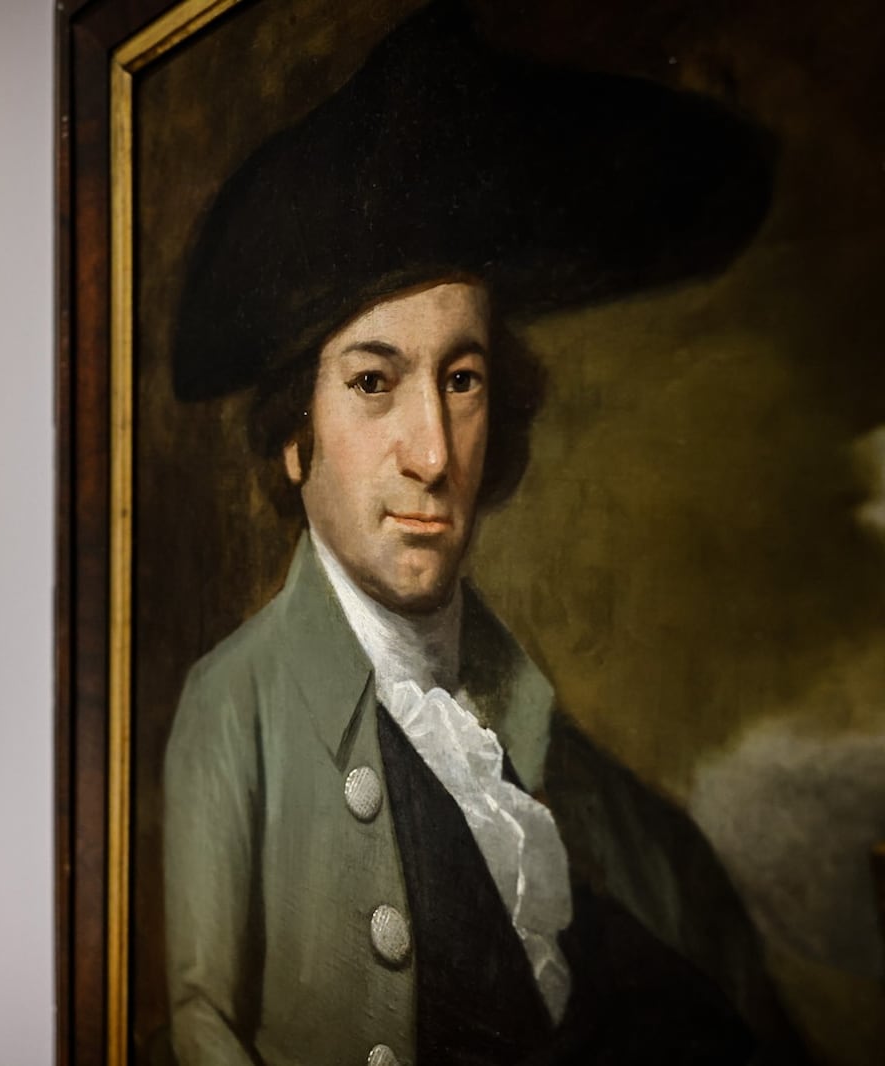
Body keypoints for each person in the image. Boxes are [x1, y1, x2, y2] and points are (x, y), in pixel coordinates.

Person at [161, 3, 802, 1064]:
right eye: (373, 382)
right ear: (292, 435)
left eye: (461, 379)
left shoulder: (552, 750)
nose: (431, 451)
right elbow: (197, 1021)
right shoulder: (234, 705)